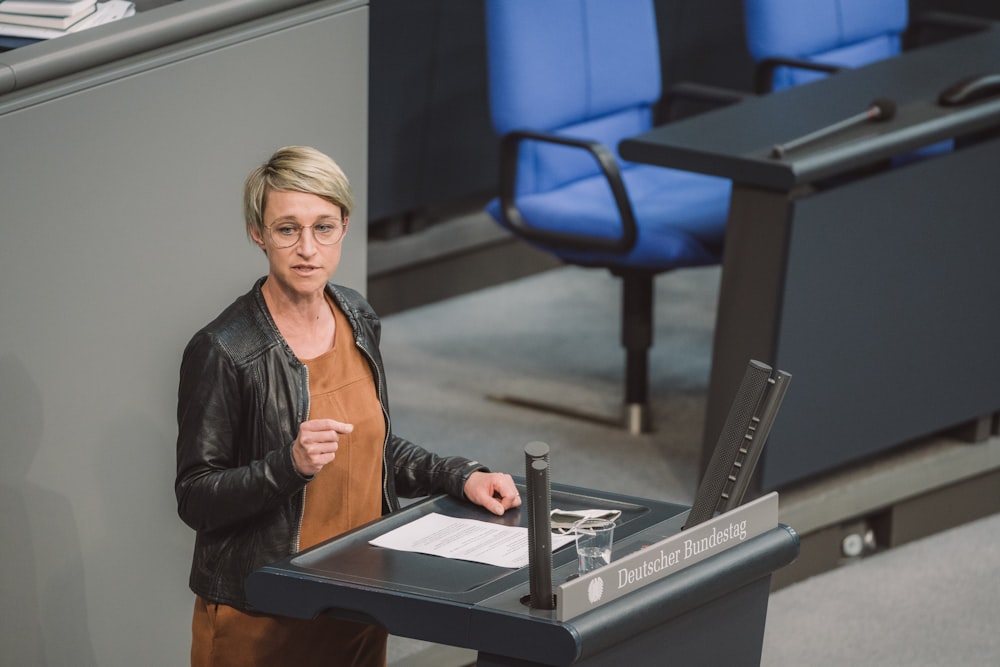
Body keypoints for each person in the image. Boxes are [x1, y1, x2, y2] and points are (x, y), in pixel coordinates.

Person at [174, 145, 521, 667]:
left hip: (359, 598)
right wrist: (287, 465)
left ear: (345, 225)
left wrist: (460, 476)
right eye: (287, 228)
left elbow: (372, 443)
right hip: (265, 612)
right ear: (258, 232)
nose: (307, 248)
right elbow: (196, 497)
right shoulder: (225, 349)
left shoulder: (356, 315)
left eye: (324, 227)